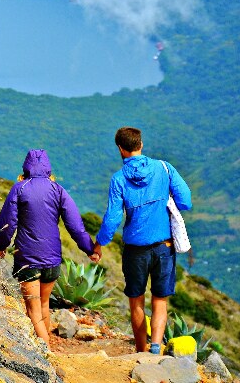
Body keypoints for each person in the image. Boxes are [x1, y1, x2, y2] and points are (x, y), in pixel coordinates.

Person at [90, 127, 192, 355]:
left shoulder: (118, 179)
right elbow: (185, 202)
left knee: (136, 300)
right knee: (160, 300)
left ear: (120, 148)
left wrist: (99, 245)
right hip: (164, 247)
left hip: (135, 250)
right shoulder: (164, 168)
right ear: (141, 144)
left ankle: (140, 350)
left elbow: (113, 218)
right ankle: (155, 348)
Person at [0, 149, 95, 346]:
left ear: (25, 168)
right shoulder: (58, 190)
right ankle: (47, 346)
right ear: (49, 170)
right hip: (52, 260)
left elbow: (8, 223)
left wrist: (2, 245)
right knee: (43, 304)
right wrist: (90, 249)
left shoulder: (20, 188)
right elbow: (75, 226)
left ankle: (46, 354)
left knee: (32, 310)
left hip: (28, 259)